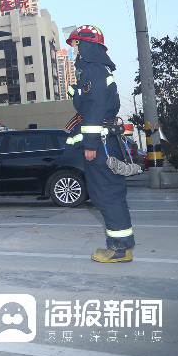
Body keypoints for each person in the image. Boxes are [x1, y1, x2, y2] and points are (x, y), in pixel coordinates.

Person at [66, 25, 134, 263]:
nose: (73, 50)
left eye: (75, 45)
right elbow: (91, 102)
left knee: (106, 194)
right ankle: (121, 246)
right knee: (109, 193)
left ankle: (118, 249)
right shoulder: (96, 71)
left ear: (85, 46)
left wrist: (91, 144)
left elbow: (94, 108)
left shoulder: (93, 71)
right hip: (107, 141)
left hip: (101, 144)